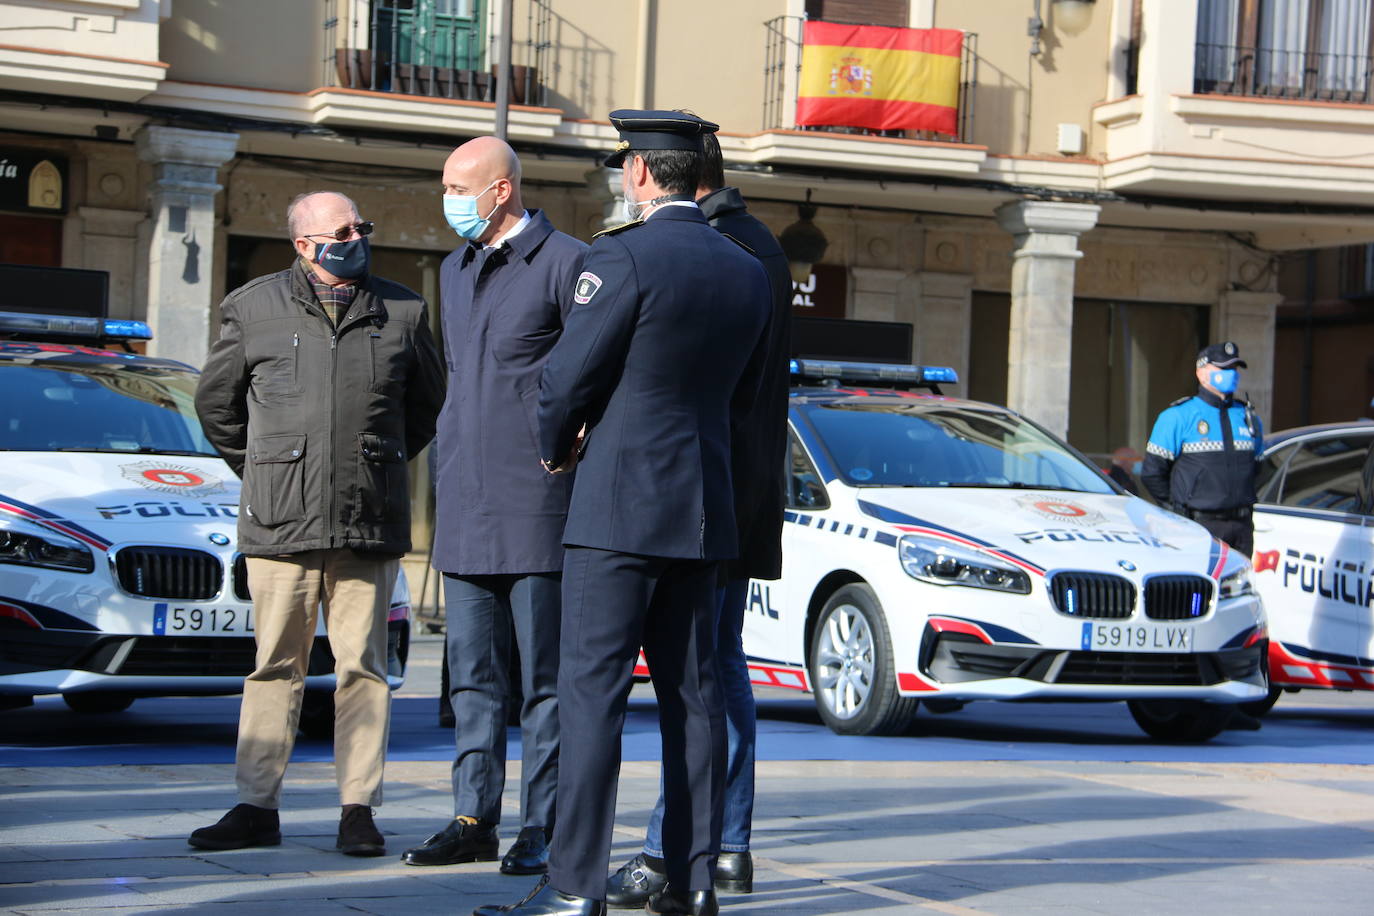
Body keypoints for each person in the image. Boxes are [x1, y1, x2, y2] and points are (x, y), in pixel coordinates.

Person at [474, 110, 771, 916]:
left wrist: (555, 443)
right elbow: (746, 401)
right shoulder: (747, 268)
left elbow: (567, 378)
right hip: (704, 507)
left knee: (592, 695)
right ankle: (695, 882)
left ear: (640, 172)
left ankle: (573, 887)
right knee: (695, 699)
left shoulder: (622, 256)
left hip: (617, 507)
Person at [191, 191, 445, 856]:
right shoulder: (252, 307)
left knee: (363, 669)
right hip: (280, 521)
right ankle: (255, 807)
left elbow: (427, 405)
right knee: (275, 666)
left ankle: (358, 809)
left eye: (361, 225)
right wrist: (271, 465)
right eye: (341, 230)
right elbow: (218, 405)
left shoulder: (404, 309)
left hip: (368, 518)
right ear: (304, 244)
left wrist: (377, 461)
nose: (356, 236)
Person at [605, 130, 791, 908]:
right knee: (717, 672)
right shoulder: (755, 247)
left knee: (697, 681)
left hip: (694, 492)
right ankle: (722, 847)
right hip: (728, 489)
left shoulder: (719, 250)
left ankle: (673, 848)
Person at [400, 138, 587, 875]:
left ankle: (543, 826)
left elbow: (592, 379)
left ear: (501, 189)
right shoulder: (456, 266)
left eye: (456, 185)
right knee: (472, 679)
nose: (446, 198)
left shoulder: (568, 263)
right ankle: (473, 816)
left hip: (540, 509)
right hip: (466, 505)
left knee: (544, 684)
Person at [1141, 341, 1263, 557]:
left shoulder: (1247, 417)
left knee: (1236, 588)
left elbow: (1258, 468)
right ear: (1201, 373)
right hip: (1197, 524)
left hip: (1241, 525)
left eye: (1233, 369)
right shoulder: (1178, 416)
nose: (1231, 374)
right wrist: (1178, 510)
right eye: (1223, 368)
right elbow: (1152, 472)